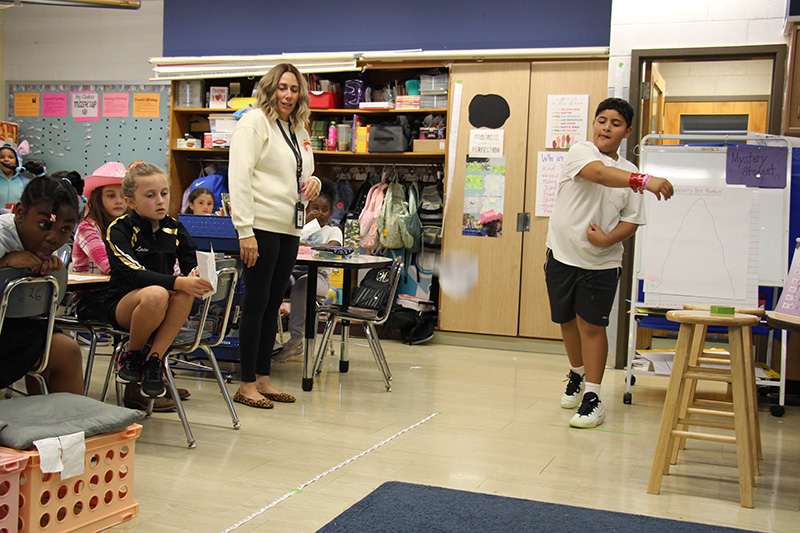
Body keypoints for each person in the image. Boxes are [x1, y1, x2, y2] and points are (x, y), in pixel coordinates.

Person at [544, 97, 674, 429]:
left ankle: (593, 397)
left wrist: (606, 239)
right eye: (601, 120)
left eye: (615, 123)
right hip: (561, 253)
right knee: (566, 321)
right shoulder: (581, 152)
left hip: (602, 262)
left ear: (627, 131)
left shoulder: (630, 173)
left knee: (591, 325)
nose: (606, 127)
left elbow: (631, 220)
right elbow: (600, 174)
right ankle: (576, 373)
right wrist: (646, 181)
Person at [228, 63, 321, 409]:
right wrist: (245, 231)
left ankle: (264, 379)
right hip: (261, 226)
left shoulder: (297, 128)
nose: (288, 95)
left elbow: (304, 173)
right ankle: (246, 383)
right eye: (282, 88)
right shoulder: (254, 123)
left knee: (271, 306)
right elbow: (239, 177)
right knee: (255, 303)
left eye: (294, 89)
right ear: (270, 89)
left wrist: (316, 183)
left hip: (289, 228)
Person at [72, 161, 185, 411]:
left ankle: (153, 372)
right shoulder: (88, 227)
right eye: (109, 196)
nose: (118, 202)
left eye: (121, 195)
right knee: (154, 298)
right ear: (96, 199)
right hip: (95, 298)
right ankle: (138, 386)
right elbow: (111, 266)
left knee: (164, 297)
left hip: (131, 293)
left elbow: (165, 266)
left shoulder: (139, 228)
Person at [105, 162, 213, 399]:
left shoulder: (174, 228)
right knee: (157, 293)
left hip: (164, 307)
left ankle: (155, 361)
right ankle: (131, 355)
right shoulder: (119, 229)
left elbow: (191, 264)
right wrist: (178, 282)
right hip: (125, 305)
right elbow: (133, 273)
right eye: (150, 196)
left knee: (185, 292)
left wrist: (197, 275)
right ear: (131, 202)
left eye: (164, 194)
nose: (161, 201)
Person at [0, 175, 83, 395]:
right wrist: (5, 262)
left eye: (65, 230)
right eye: (45, 225)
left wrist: (48, 271)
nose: (53, 238)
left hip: (14, 329)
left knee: (68, 351)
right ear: (19, 213)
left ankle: (65, 427)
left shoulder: (42, 243)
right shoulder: (1, 235)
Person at [274, 178, 342, 363]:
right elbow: (287, 244)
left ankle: (296, 340)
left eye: (324, 210)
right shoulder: (297, 227)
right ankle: (269, 337)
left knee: (304, 285)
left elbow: (331, 248)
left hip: (317, 276)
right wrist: (304, 226)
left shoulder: (332, 231)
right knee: (274, 281)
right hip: (291, 271)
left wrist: (303, 245)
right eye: (315, 208)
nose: (319, 213)